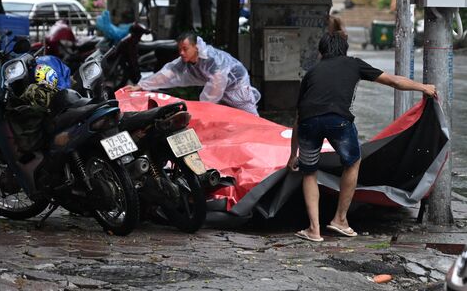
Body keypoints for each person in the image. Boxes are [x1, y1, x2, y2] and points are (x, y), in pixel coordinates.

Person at [287, 32, 437, 242]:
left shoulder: (312, 72)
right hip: (338, 121)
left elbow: (298, 116)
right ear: (344, 50)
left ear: (321, 52)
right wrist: (424, 87)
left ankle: (314, 230)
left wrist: (293, 154)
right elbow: (393, 81)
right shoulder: (354, 64)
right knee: (352, 162)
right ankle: (339, 219)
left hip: (308, 123)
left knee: (309, 172)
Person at [122, 32, 261, 115]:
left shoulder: (212, 60)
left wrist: (203, 107)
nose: (181, 53)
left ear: (196, 47)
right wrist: (141, 86)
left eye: (185, 49)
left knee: (251, 119)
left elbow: (216, 85)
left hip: (238, 88)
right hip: (219, 91)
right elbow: (167, 73)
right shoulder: (184, 61)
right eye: (179, 49)